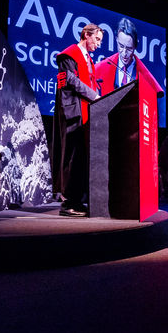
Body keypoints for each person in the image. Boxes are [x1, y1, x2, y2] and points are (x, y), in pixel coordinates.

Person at [53, 23, 103, 217]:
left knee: (81, 158)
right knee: (71, 156)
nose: (98, 44)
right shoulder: (68, 55)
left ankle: (78, 200)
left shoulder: (89, 60)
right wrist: (95, 96)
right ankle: (67, 203)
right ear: (86, 35)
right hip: (72, 112)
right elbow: (70, 81)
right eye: (97, 39)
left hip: (86, 114)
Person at [97, 17, 164, 98]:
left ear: (135, 45)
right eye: (121, 46)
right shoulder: (103, 66)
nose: (124, 53)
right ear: (116, 39)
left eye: (129, 49)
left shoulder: (145, 76)